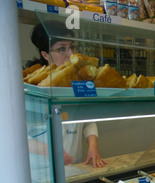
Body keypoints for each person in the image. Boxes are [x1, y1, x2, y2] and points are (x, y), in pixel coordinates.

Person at [27, 21, 107, 168]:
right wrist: (48, 150)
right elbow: (16, 136)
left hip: (74, 168)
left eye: (72, 47)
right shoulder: (32, 87)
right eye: (62, 49)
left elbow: (87, 120)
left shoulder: (79, 82)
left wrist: (92, 145)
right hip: (43, 172)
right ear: (45, 54)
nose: (70, 54)